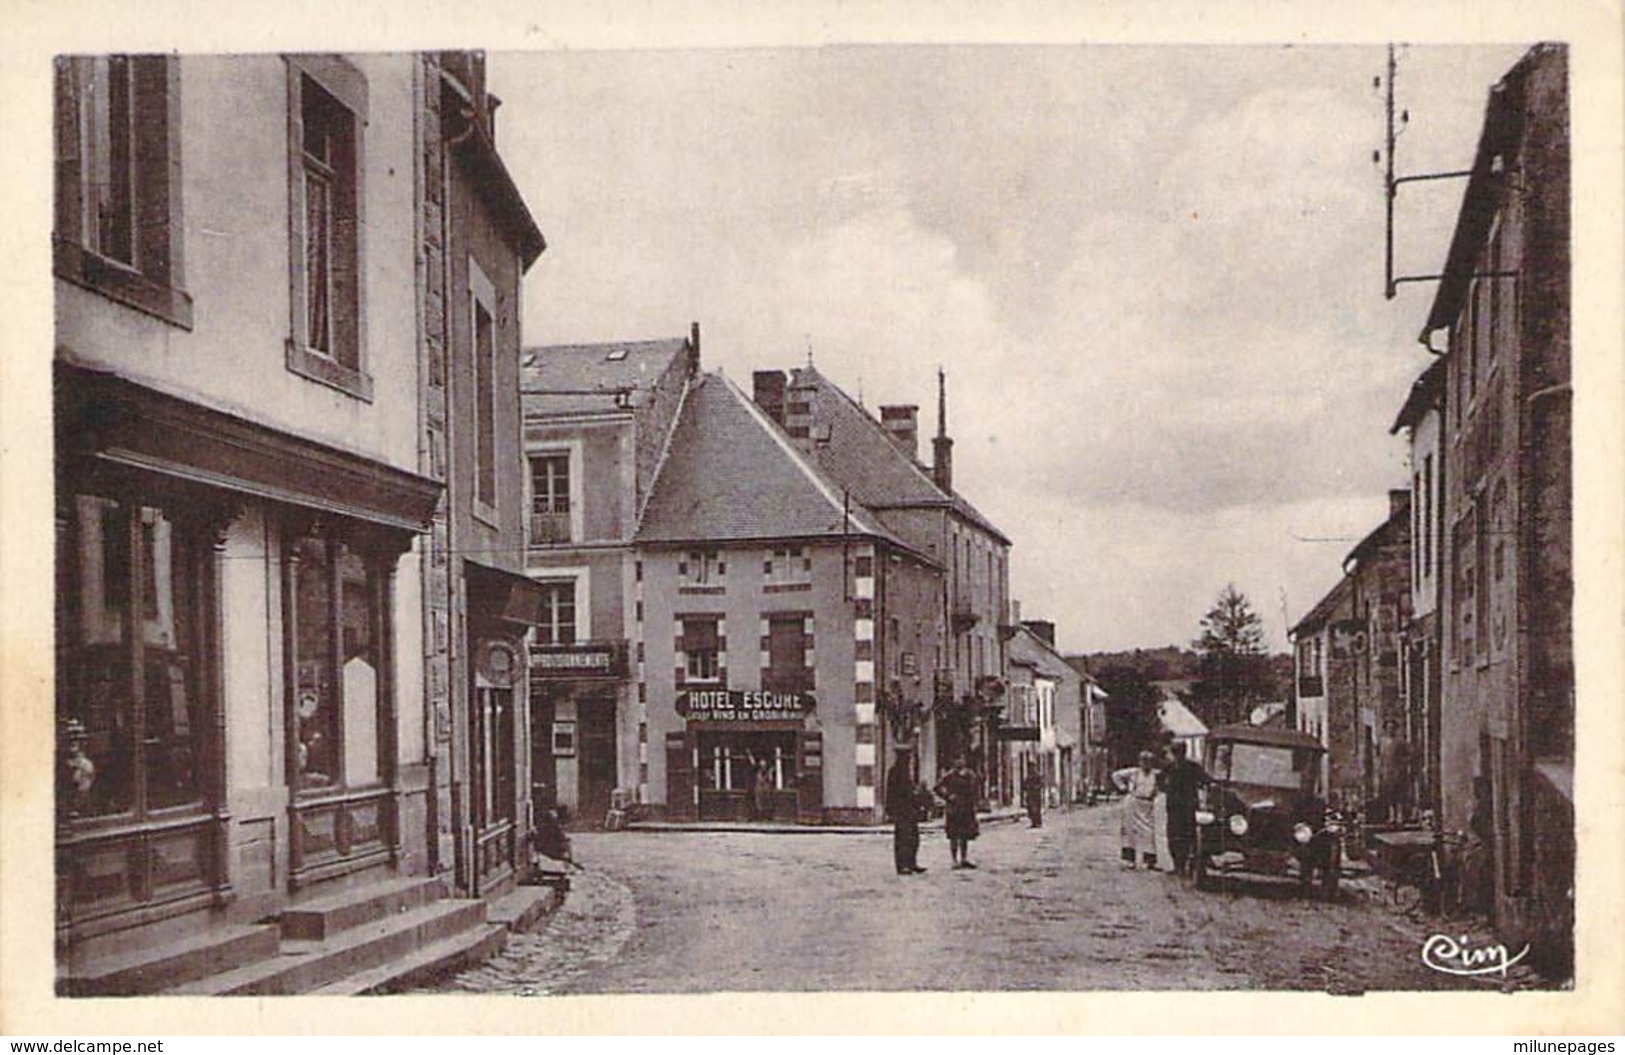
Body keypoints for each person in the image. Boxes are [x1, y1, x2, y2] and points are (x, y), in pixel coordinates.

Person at [1158, 741, 1208, 877]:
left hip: (1188, 807)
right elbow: (1160, 781)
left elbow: (1205, 780)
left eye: (1179, 752)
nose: (1178, 755)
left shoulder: (1192, 767)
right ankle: (1177, 865)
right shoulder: (1169, 767)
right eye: (1176, 752)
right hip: (1174, 806)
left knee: (1188, 835)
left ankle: (1187, 863)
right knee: (1173, 836)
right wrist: (1166, 789)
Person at [1112, 750, 1161, 869]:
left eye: (1148, 761)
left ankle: (1149, 860)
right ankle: (1129, 859)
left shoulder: (1156, 774)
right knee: (1129, 830)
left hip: (1147, 804)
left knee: (1149, 831)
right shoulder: (1134, 772)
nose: (1146, 764)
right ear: (1140, 762)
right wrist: (1123, 787)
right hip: (1133, 802)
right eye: (1143, 761)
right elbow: (1116, 775)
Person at [934, 754, 982, 869]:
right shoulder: (950, 775)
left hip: (966, 808)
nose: (960, 762)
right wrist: (948, 796)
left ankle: (964, 858)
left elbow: (976, 789)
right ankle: (954, 860)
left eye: (962, 759)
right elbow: (937, 787)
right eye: (957, 759)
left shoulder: (970, 775)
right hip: (954, 809)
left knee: (965, 835)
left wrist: (976, 802)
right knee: (954, 835)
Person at [885, 753, 928, 875]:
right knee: (903, 839)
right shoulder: (895, 773)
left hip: (910, 811)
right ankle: (903, 865)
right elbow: (891, 793)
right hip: (901, 811)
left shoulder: (909, 773)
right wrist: (891, 810)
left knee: (914, 838)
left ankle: (912, 863)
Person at [1020, 763, 1045, 829]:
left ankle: (1038, 822)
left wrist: (1035, 787)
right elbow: (1025, 785)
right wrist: (1026, 787)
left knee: (1036, 809)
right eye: (1030, 767)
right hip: (1030, 795)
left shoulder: (1038, 776)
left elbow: (1041, 784)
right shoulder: (1028, 776)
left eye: (1032, 767)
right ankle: (1033, 822)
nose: (1031, 769)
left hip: (1036, 795)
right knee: (1031, 809)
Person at [753, 757, 775, 822]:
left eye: (764, 765)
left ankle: (768, 816)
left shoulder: (767, 772)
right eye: (762, 765)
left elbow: (770, 780)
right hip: (760, 789)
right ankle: (760, 816)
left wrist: (770, 774)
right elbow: (760, 779)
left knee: (767, 802)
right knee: (759, 802)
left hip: (766, 789)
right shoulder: (759, 772)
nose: (763, 767)